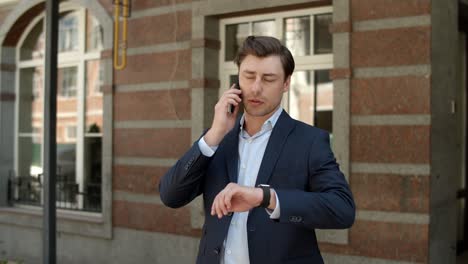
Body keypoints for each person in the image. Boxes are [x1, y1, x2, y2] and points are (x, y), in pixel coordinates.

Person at [159, 35, 355, 264]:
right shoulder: (217, 138)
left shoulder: (309, 141)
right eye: (248, 76)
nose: (256, 88)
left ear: (286, 84)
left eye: (268, 79)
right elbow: (170, 195)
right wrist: (213, 135)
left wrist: (266, 197)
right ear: (237, 79)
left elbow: (342, 209)